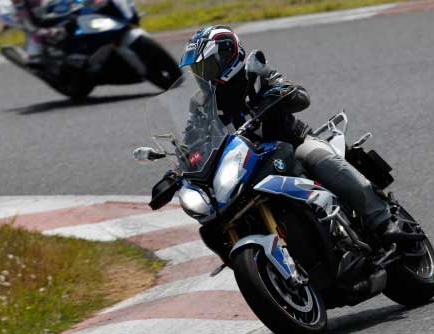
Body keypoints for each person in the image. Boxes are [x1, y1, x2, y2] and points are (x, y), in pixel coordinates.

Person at [179, 25, 420, 242]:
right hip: (249, 164)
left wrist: (279, 94)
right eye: (197, 70)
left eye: (206, 67)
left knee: (321, 160)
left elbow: (300, 96)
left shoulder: (255, 73)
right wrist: (180, 164)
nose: (202, 75)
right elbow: (190, 137)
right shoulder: (201, 104)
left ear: (227, 57)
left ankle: (383, 220)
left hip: (293, 144)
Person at [11, 0, 71, 65]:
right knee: (36, 59)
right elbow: (29, 25)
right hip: (42, 29)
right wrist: (47, 31)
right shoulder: (22, 8)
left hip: (60, 18)